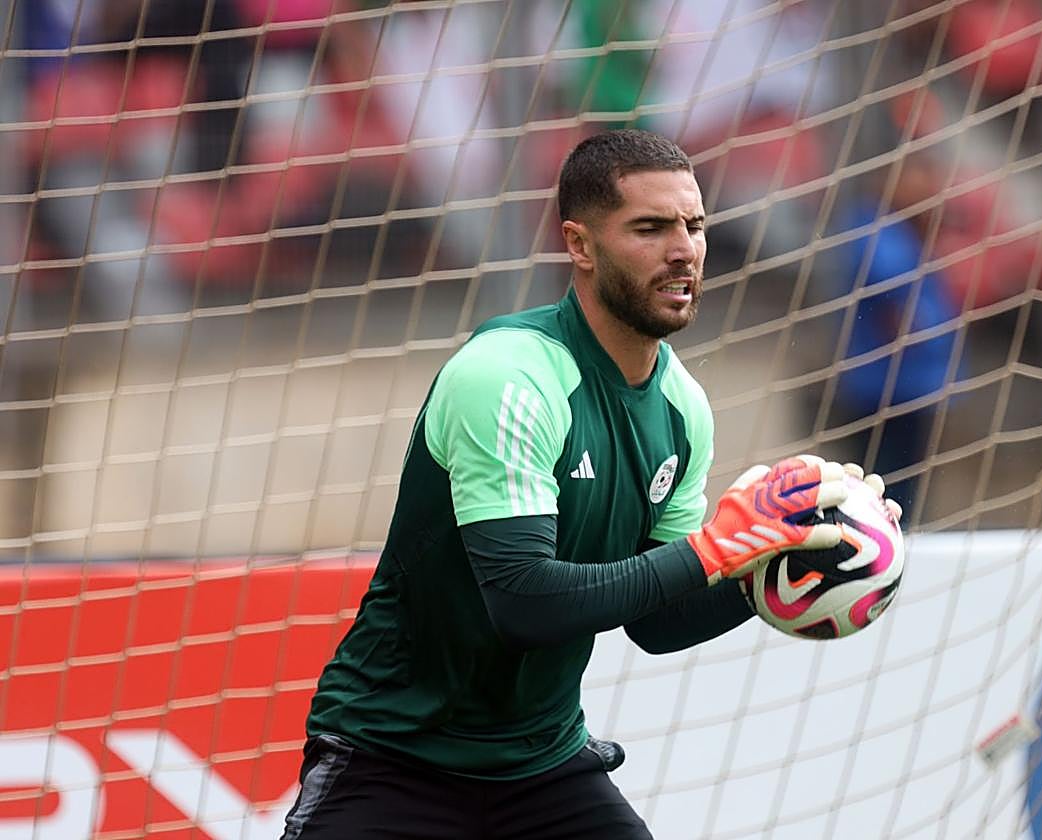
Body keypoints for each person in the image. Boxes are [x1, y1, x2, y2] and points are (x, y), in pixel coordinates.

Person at [281, 129, 888, 839]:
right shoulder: (508, 376)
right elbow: (522, 601)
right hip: (393, 756)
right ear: (580, 244)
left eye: (694, 226)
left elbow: (658, 623)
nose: (684, 250)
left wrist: (777, 564)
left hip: (543, 764)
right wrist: (719, 549)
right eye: (650, 228)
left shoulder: (683, 409)